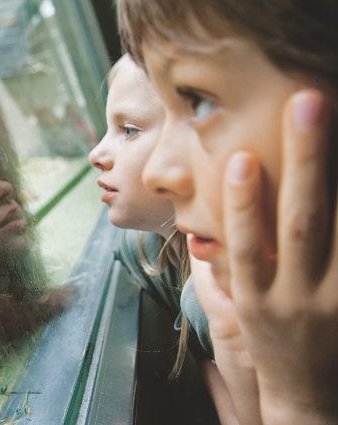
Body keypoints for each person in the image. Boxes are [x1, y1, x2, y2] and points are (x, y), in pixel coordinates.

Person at [118, 0, 338, 423]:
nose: (156, 173)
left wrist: (303, 402)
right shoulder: (208, 301)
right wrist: (236, 348)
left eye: (199, 102)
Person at [89, 54, 237, 424]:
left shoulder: (226, 283)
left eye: (129, 130)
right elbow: (211, 357)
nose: (96, 154)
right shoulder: (144, 248)